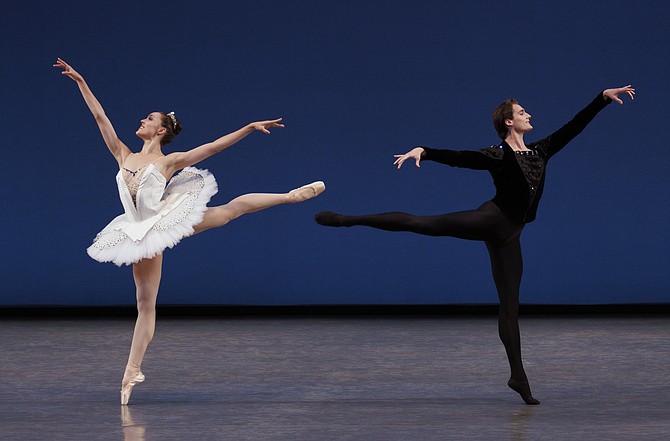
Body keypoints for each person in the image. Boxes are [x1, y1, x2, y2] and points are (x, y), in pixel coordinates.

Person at [315, 85, 635, 405]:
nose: (529, 115)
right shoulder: (497, 155)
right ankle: (347, 219)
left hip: (511, 234)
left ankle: (517, 376)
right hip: (492, 220)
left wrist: (602, 99)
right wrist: (424, 151)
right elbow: (461, 158)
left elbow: (573, 127)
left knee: (510, 307)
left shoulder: (541, 150)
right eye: (522, 112)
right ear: (509, 122)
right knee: (423, 224)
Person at [54, 58, 325, 405]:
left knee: (228, 211)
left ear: (161, 131)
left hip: (164, 219)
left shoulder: (169, 161)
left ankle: (290, 195)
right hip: (138, 230)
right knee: (144, 303)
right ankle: (132, 371)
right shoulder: (123, 154)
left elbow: (212, 148)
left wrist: (247, 127)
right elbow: (99, 118)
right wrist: (81, 82)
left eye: (149, 119)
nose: (142, 120)